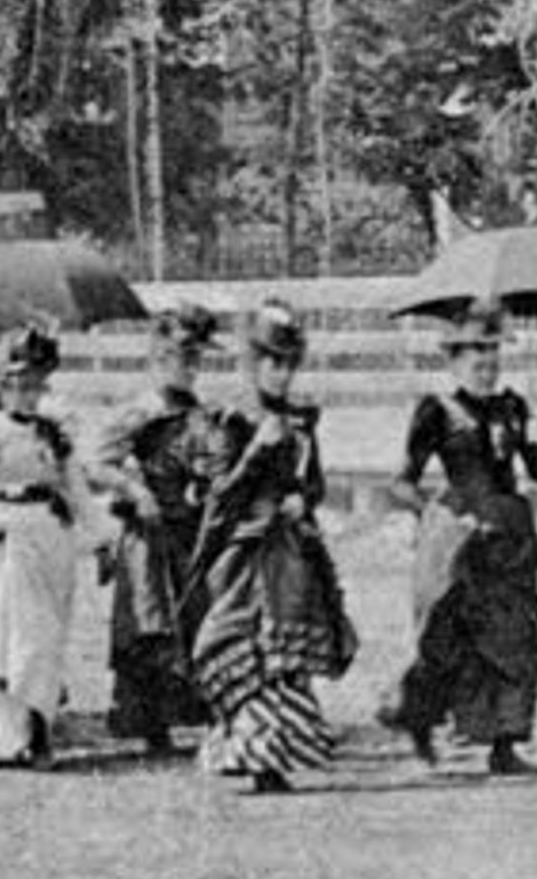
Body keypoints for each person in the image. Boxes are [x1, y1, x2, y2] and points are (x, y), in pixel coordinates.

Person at [184, 305, 346, 789]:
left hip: (289, 551)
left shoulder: (301, 420)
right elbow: (219, 495)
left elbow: (313, 483)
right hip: (241, 552)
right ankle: (241, 747)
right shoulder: (227, 420)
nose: (282, 374)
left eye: (289, 364)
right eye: (273, 363)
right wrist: (256, 452)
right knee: (232, 643)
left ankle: (268, 759)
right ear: (251, 364)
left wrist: (303, 498)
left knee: (283, 653)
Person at [388, 316, 537, 773]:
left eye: (493, 353)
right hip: (461, 539)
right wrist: (436, 516)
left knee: (515, 636)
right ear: (454, 361)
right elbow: (401, 483)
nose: (487, 363)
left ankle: (505, 744)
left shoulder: (515, 409)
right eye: (475, 355)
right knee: (449, 639)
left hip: (510, 536)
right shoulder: (437, 411)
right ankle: (418, 720)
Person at [89, 305, 227, 758]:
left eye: (194, 361)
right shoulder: (140, 411)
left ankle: (195, 712)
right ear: (158, 360)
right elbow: (97, 463)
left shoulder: (200, 412)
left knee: (196, 616)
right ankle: (149, 723)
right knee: (150, 622)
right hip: (149, 532)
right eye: (179, 359)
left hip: (189, 529)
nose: (188, 369)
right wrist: (134, 489)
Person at [0, 323, 86, 770]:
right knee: (23, 635)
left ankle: (34, 722)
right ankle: (28, 731)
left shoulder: (53, 433)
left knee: (48, 635)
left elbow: (76, 487)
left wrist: (96, 534)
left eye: (34, 385)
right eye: (16, 385)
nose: (26, 395)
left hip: (51, 532)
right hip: (8, 537)